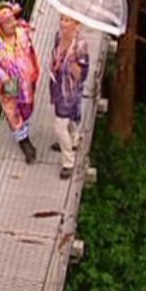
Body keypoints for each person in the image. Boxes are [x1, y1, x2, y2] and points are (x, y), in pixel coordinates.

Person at [0, 1, 40, 163]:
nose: (12, 23)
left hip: (27, 80)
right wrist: (0, 74)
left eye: (13, 19)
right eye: (8, 22)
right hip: (9, 83)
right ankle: (23, 140)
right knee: (13, 110)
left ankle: (23, 126)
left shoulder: (22, 32)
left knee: (27, 107)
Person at [49, 14, 89, 179]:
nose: (63, 23)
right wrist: (56, 63)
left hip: (70, 91)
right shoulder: (58, 36)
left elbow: (81, 75)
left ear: (76, 24)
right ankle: (74, 139)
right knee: (69, 118)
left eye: (67, 20)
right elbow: (55, 58)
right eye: (62, 19)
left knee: (59, 126)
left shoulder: (80, 46)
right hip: (58, 86)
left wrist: (70, 61)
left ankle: (68, 161)